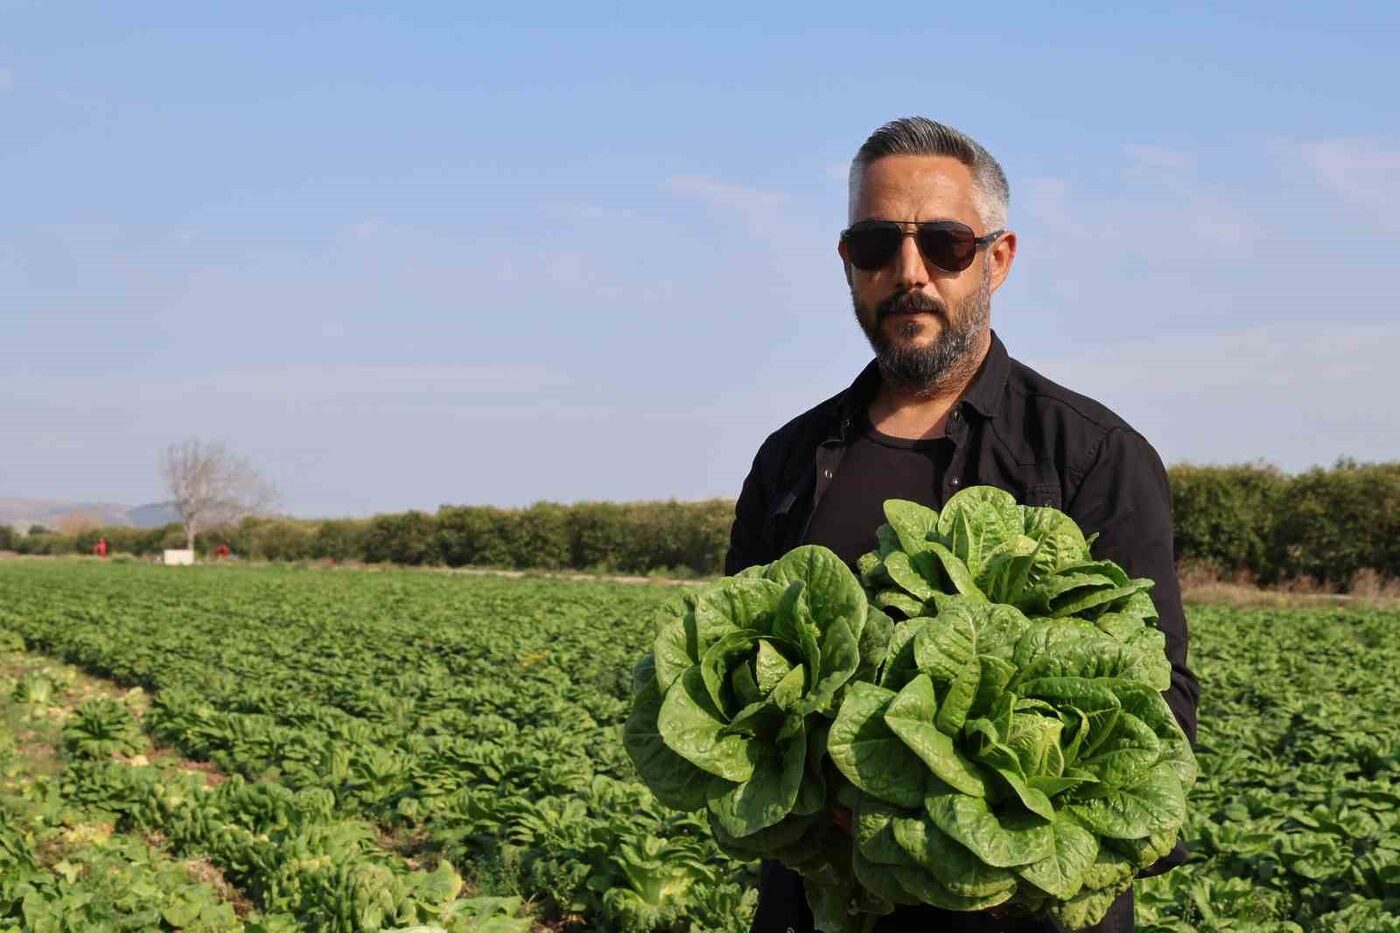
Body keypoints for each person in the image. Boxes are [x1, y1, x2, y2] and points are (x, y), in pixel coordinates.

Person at [723, 117, 1199, 933]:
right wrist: (825, 809)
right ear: (848, 263)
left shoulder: (1091, 456)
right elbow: (735, 673)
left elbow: (1164, 711)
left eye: (944, 244)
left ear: (998, 258)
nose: (909, 272)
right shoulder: (790, 461)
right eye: (877, 244)